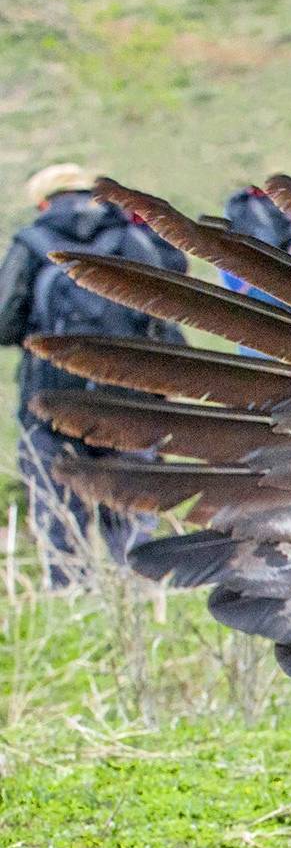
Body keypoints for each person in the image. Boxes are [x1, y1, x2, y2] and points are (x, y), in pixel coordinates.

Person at [0, 165, 187, 587]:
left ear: (43, 202)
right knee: (132, 521)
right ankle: (142, 601)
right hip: (132, 405)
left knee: (59, 518)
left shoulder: (32, 244)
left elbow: (4, 322)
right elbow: (171, 311)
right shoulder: (137, 239)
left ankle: (71, 602)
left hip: (51, 405)